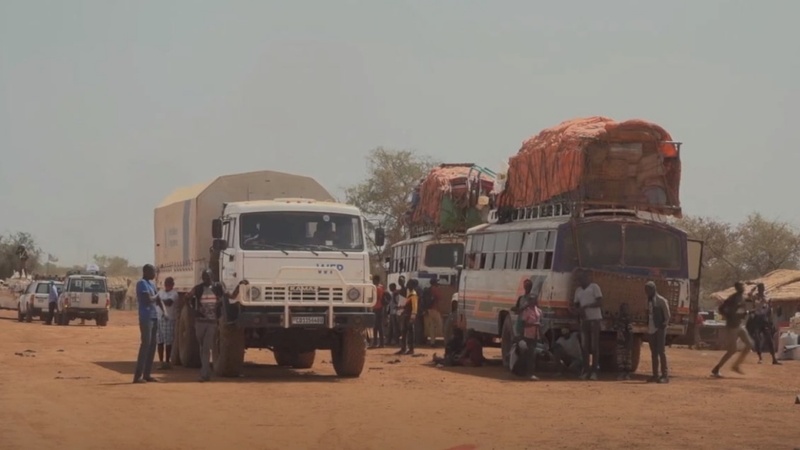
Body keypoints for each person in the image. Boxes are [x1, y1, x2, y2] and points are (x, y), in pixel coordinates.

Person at [186, 270, 248, 381]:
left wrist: (240, 285)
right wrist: (192, 309)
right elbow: (188, 297)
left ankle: (204, 374)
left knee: (206, 348)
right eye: (204, 277)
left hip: (212, 323)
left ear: (212, 277)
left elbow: (232, 296)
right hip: (200, 322)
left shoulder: (218, 287)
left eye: (208, 277)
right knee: (202, 347)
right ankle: (205, 370)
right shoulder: (198, 288)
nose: (206, 279)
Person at [712, 282, 754, 377]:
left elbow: (739, 310)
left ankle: (736, 365)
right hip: (732, 326)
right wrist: (730, 316)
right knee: (732, 350)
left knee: (750, 344)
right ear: (737, 288)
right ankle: (716, 369)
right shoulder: (733, 298)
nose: (743, 288)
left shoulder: (741, 297)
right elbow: (722, 308)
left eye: (743, 286)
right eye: (741, 287)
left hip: (739, 325)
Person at [133, 264, 165, 383]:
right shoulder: (142, 283)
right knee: (145, 345)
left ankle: (147, 374)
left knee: (152, 346)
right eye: (152, 272)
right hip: (146, 317)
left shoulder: (152, 284)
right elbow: (148, 299)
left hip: (154, 317)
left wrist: (164, 312)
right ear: (146, 272)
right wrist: (157, 295)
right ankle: (137, 376)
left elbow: (158, 300)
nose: (154, 274)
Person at [573, 270, 603, 380]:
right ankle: (586, 370)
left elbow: (600, 302)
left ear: (587, 278)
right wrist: (578, 312)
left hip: (595, 319)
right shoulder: (578, 291)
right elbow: (576, 304)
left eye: (582, 278)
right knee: (585, 347)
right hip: (584, 320)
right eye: (579, 279)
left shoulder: (594, 287)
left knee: (594, 346)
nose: (581, 281)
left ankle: (594, 371)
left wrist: (586, 306)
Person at [747, 283, 781, 365]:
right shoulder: (755, 297)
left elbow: (770, 310)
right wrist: (753, 288)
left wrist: (771, 320)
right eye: (760, 288)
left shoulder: (767, 297)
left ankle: (774, 359)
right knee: (758, 339)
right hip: (756, 320)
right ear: (758, 289)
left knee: (769, 339)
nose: (762, 290)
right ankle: (760, 358)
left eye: (762, 288)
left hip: (764, 320)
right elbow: (748, 295)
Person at [645, 281, 670, 383]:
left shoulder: (661, 301)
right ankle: (655, 375)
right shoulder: (648, 301)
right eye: (646, 290)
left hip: (659, 328)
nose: (647, 292)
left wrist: (662, 326)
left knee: (661, 351)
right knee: (653, 353)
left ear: (654, 289)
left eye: (649, 290)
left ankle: (665, 375)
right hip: (651, 328)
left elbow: (667, 316)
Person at [156, 277, 178, 370]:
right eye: (166, 283)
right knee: (159, 341)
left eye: (169, 283)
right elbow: (156, 301)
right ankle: (161, 362)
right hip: (159, 318)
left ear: (173, 285)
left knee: (168, 341)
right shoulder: (161, 292)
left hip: (168, 319)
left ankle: (167, 361)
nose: (167, 285)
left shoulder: (174, 294)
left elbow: (169, 303)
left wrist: (159, 301)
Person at [519, 294, 543, 380]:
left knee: (532, 354)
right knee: (531, 354)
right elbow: (524, 324)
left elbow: (540, 323)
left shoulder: (539, 311)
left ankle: (529, 372)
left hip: (536, 335)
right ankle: (529, 373)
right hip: (528, 335)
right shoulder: (527, 311)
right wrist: (534, 324)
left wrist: (541, 334)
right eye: (531, 300)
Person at [396, 278, 419, 356]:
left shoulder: (413, 294)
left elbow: (415, 307)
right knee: (404, 332)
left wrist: (412, 317)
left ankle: (411, 349)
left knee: (410, 332)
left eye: (409, 284)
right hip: (406, 315)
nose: (407, 285)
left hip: (410, 316)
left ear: (412, 285)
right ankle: (404, 348)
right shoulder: (409, 293)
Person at [614, 303, 634, 380]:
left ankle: (627, 373)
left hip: (626, 341)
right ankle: (621, 373)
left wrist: (629, 342)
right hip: (620, 341)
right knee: (620, 358)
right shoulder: (619, 319)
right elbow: (615, 327)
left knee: (627, 358)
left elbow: (630, 331)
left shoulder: (628, 319)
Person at [423, 277, 444, 347]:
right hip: (435, 309)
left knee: (431, 327)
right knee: (440, 325)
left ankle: (432, 342)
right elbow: (440, 297)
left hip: (429, 309)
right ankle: (446, 341)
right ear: (434, 283)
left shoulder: (428, 290)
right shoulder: (435, 289)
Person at [370, 275, 386, 349]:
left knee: (377, 326)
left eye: (374, 280)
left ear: (376, 280)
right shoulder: (382, 287)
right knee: (378, 326)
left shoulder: (377, 288)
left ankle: (377, 342)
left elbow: (375, 297)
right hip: (380, 307)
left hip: (377, 307)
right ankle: (380, 343)